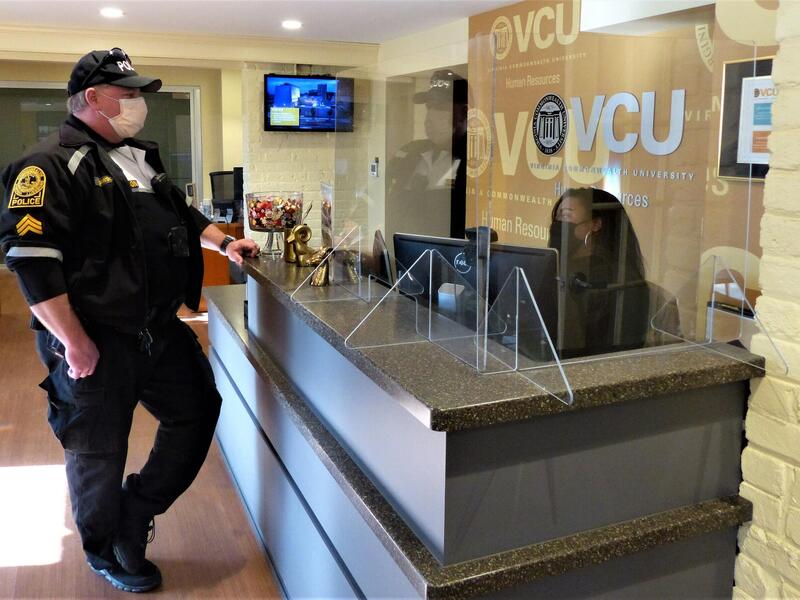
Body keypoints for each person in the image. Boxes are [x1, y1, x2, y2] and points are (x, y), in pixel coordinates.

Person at [0, 48, 260, 593]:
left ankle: (135, 510)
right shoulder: (47, 165)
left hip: (159, 329)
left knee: (196, 411)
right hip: (93, 337)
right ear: (91, 98)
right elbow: (31, 261)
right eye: (129, 95)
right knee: (98, 449)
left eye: (140, 94)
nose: (139, 104)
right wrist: (72, 341)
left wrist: (224, 241)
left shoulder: (139, 155)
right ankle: (103, 548)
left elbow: (180, 214)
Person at [548, 187, 668, 358]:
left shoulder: (617, 279)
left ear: (596, 224)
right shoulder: (555, 267)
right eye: (558, 216)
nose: (558, 223)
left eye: (566, 216)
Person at [386, 69, 467, 240]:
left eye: (440, 107)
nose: (430, 116)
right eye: (429, 106)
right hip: (401, 254)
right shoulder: (411, 152)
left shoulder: (473, 162)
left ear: (464, 113)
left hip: (445, 259)